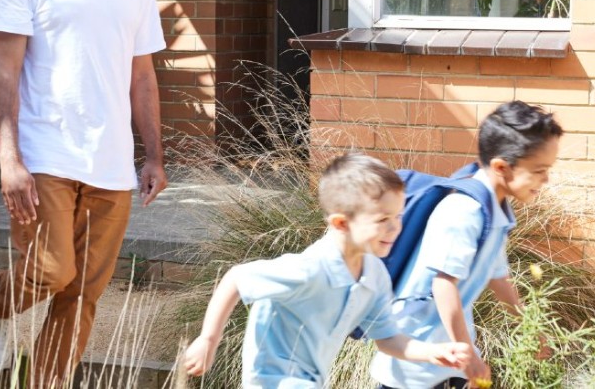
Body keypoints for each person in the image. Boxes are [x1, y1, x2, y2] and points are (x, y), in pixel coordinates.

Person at [0, 0, 167, 386]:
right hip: (44, 155)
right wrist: (9, 159)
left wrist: (152, 154)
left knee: (82, 296)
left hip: (110, 165)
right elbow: (6, 77)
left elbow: (143, 77)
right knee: (53, 268)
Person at [182, 153, 472, 388]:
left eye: (398, 216)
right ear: (341, 223)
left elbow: (388, 339)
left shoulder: (374, 275)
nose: (395, 227)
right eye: (382, 219)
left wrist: (433, 352)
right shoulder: (309, 269)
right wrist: (209, 339)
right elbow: (236, 278)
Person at [369, 101, 562, 389]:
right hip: (415, 365)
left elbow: (498, 277)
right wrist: (469, 356)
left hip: (451, 359)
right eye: (538, 170)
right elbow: (443, 284)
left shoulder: (495, 211)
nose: (545, 179)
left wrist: (529, 328)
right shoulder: (465, 211)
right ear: (501, 167)